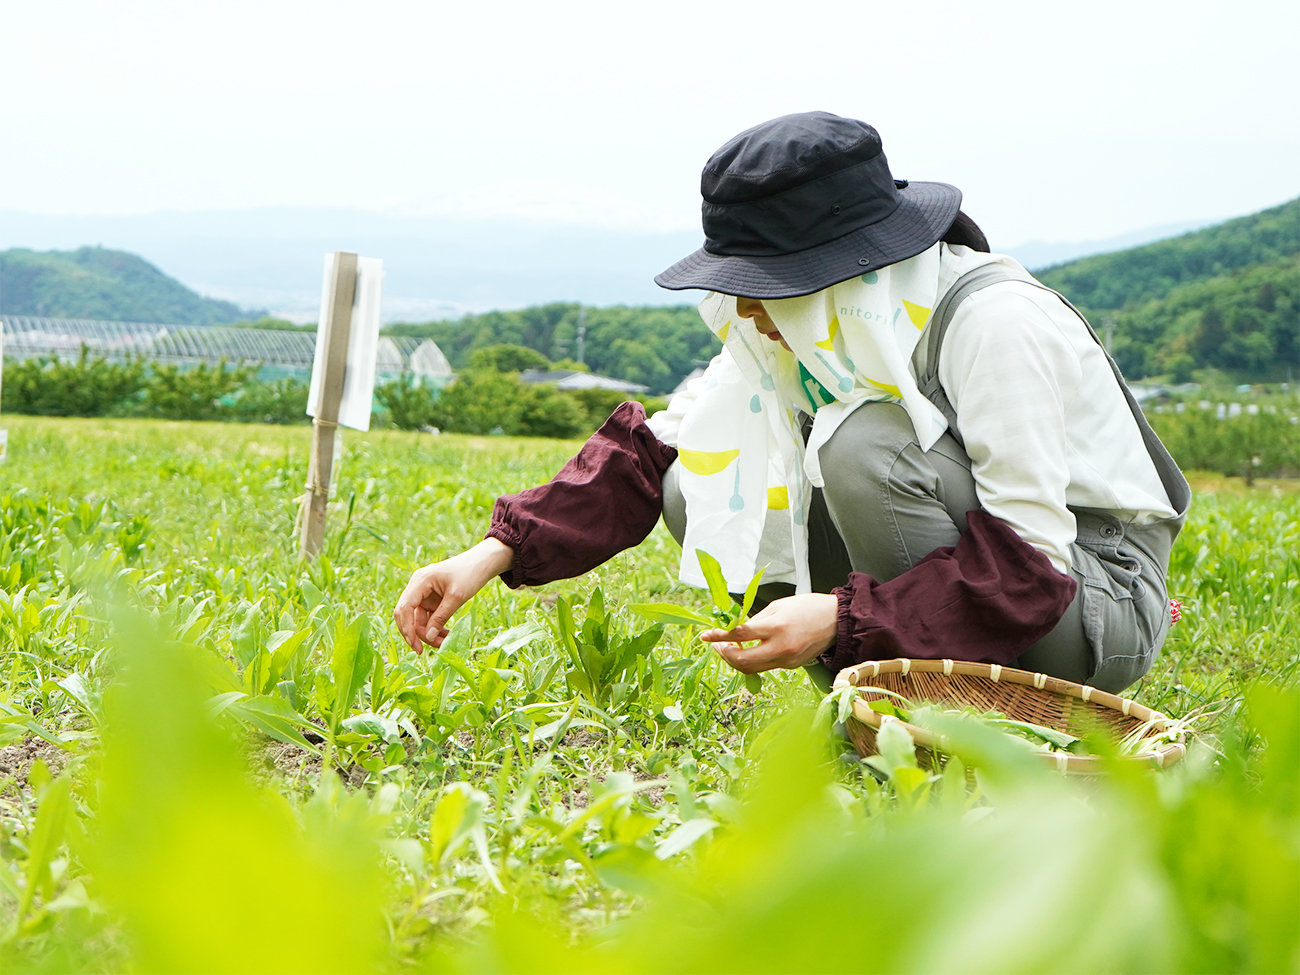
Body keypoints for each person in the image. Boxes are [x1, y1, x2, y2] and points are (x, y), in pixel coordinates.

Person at [393, 112, 1190, 694]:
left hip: (1091, 598)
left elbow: (1035, 563)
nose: (748, 310)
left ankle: (937, 703)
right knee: (694, 480)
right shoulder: (829, 332)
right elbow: (662, 449)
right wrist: (493, 551)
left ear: (847, 267)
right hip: (1012, 585)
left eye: (769, 286)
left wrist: (844, 618)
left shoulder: (992, 323)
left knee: (863, 446)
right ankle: (875, 704)